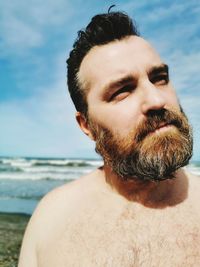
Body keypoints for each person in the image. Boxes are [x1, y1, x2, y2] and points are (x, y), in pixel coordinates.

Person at [19, 11, 200, 267]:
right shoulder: (51, 218)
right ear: (87, 126)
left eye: (159, 79)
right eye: (122, 91)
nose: (157, 101)